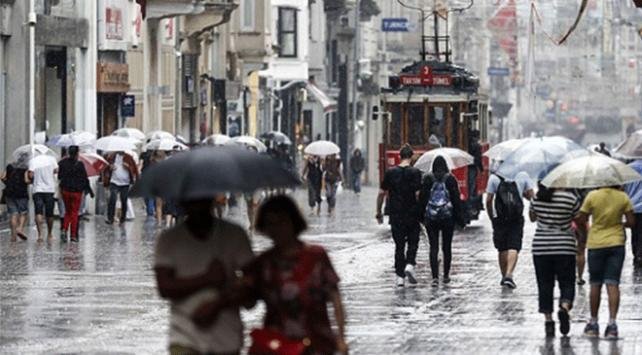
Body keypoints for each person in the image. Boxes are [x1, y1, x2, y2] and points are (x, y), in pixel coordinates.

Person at [194, 196, 348, 355]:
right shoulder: (264, 263)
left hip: (318, 344)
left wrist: (341, 337)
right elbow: (247, 301)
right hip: (277, 345)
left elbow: (335, 298)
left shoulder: (317, 256)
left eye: (281, 222)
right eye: (270, 224)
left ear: (293, 221)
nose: (277, 229)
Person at [154, 198, 254, 355]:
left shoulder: (234, 235)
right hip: (184, 338)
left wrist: (219, 303)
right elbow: (164, 287)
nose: (197, 204)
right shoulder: (169, 239)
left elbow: (253, 288)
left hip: (226, 338)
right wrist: (207, 279)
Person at [577, 186, 634, 339]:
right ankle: (612, 324)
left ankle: (594, 324)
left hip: (596, 244)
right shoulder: (623, 197)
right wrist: (620, 224)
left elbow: (581, 218)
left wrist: (589, 227)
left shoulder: (592, 196)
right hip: (616, 243)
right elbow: (632, 221)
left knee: (595, 284)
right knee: (613, 283)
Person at [529, 183, 581, 338]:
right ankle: (564, 307)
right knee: (567, 281)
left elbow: (532, 218)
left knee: (544, 284)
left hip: (541, 247)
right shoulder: (570, 198)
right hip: (564, 246)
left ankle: (549, 321)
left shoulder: (537, 198)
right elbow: (578, 221)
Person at [376, 144, 422, 287]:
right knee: (413, 241)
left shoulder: (390, 173)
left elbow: (381, 193)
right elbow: (418, 194)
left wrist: (378, 212)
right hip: (412, 213)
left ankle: (399, 276)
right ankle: (410, 264)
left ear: (400, 156)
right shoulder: (416, 173)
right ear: (411, 156)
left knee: (399, 245)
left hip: (396, 214)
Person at [486, 171, 534, 289]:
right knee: (514, 246)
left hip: (500, 218)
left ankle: (504, 276)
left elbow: (488, 200)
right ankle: (509, 274)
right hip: (516, 217)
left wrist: (492, 217)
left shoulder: (494, 178)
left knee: (502, 248)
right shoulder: (523, 175)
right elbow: (532, 197)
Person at [419, 156, 463, 285]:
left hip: (431, 218)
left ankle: (434, 277)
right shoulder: (450, 179)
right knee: (446, 247)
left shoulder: (427, 178)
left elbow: (422, 199)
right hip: (447, 217)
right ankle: (446, 275)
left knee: (434, 247)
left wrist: (421, 216)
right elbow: (456, 200)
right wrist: (460, 219)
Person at [58, 146, 93, 242]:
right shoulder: (80, 164)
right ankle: (73, 235)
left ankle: (64, 229)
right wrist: (89, 190)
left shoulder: (62, 163)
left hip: (65, 191)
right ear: (77, 153)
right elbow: (85, 178)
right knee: (74, 213)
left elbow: (59, 176)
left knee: (67, 212)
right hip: (77, 192)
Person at [103, 151, 139, 225]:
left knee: (124, 200)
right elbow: (106, 167)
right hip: (114, 181)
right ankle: (110, 218)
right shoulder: (111, 157)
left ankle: (123, 218)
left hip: (125, 183)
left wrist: (128, 167)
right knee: (112, 198)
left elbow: (134, 169)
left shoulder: (129, 157)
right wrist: (110, 167)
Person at [26, 162, 58, 241]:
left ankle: (40, 235)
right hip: (49, 190)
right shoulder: (52, 160)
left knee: (38, 212)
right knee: (49, 213)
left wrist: (36, 177)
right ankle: (49, 234)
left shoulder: (34, 161)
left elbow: (30, 175)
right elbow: (56, 171)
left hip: (37, 190)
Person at [1, 154, 30, 241]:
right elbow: (26, 180)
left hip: (9, 193)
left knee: (13, 214)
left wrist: (8, 183)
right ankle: (20, 228)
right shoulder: (26, 168)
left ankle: (13, 236)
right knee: (23, 213)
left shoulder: (10, 166)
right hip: (22, 193)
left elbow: (2, 177)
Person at [624, 173, 642, 267]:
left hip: (632, 207)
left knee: (635, 232)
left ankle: (637, 254)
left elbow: (624, 190)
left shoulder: (627, 170)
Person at [467, 130, 483, 205]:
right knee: (472, 183)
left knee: (471, 182)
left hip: (468, 165)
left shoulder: (468, 143)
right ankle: (471, 198)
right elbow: (478, 158)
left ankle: (470, 197)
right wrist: (481, 168)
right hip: (473, 166)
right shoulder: (477, 145)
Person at [139, 148, 156, 217]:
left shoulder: (143, 154)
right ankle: (150, 210)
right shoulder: (156, 155)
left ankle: (150, 210)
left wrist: (138, 173)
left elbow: (140, 164)